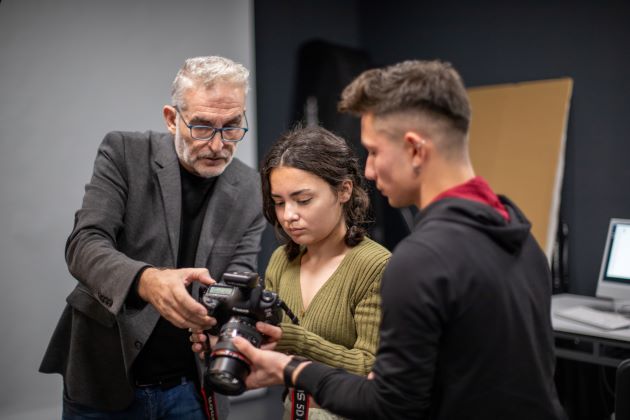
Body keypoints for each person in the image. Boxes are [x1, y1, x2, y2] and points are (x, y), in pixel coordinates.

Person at [229, 60, 568, 419]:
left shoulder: (422, 260)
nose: (370, 171)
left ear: (415, 150)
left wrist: (290, 369)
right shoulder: (521, 236)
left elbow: (391, 405)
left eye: (374, 151)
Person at [39, 56, 266, 419]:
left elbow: (235, 281)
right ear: (172, 118)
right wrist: (148, 281)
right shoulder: (124, 153)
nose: (218, 144)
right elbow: (84, 245)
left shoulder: (252, 188)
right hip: (104, 379)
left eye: (232, 127)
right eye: (203, 127)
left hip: (191, 386)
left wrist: (227, 315)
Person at [191, 125, 391, 420]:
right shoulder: (281, 261)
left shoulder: (376, 266)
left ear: (344, 190)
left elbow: (369, 368)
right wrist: (231, 341)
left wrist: (291, 338)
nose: (288, 216)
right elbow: (274, 356)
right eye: (279, 202)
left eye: (303, 200)